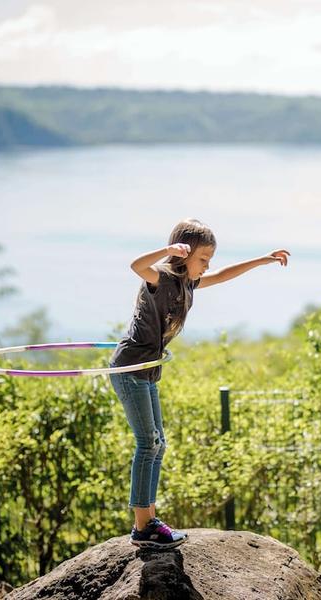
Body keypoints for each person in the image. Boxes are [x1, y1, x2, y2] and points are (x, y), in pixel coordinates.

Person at [108, 217, 290, 549]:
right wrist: (166, 251)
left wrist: (263, 259)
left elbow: (223, 275)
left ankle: (148, 519)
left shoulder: (187, 284)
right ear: (184, 254)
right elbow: (136, 265)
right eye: (203, 259)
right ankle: (142, 525)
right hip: (130, 368)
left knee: (157, 443)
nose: (208, 266)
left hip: (147, 371)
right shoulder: (160, 277)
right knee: (148, 443)